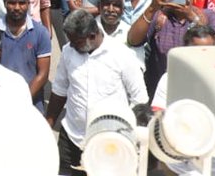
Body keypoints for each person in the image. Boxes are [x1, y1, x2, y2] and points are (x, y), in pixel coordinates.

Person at [46, 10, 148, 175]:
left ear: (92, 35)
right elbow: (59, 90)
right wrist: (48, 124)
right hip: (72, 137)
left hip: (108, 143)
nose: (71, 45)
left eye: (76, 42)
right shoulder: (68, 51)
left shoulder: (122, 55)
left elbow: (140, 99)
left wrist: (126, 136)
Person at [127, 0, 215, 89]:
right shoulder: (159, 15)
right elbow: (133, 40)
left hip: (197, 87)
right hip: (161, 89)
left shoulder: (208, 16)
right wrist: (152, 7)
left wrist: (191, 17)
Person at [0, 0, 52, 110]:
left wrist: (22, 100)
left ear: (28, 3)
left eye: (21, 3)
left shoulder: (40, 32)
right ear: (5, 3)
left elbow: (43, 74)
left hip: (32, 103)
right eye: (12, 2)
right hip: (1, 102)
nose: (17, 7)